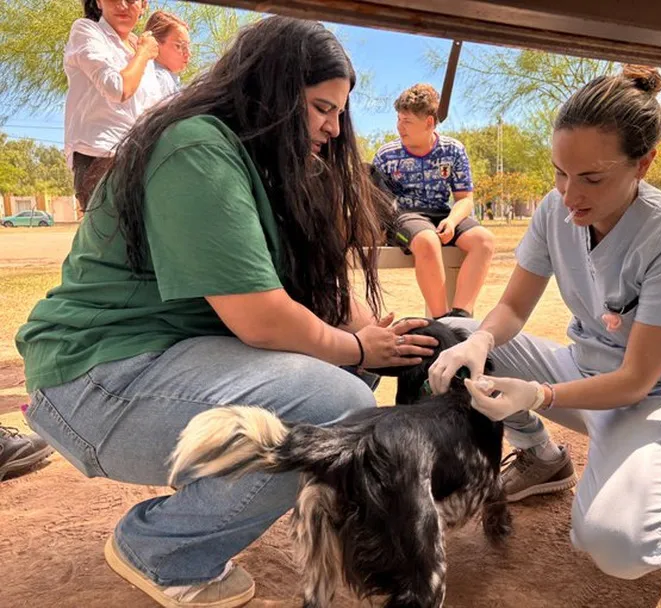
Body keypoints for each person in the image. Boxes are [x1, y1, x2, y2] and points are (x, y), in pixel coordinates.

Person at [17, 16, 436, 607]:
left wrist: (369, 336)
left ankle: (240, 501)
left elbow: (313, 301)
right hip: (96, 384)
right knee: (338, 406)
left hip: (158, 366)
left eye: (339, 111)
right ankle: (164, 549)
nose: (333, 127)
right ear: (270, 91)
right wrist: (359, 349)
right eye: (320, 107)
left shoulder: (259, 164)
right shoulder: (196, 148)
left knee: (343, 376)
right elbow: (262, 319)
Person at [429, 65, 661, 581]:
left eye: (591, 177)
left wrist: (540, 395)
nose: (569, 195)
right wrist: (476, 340)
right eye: (559, 172)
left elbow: (636, 380)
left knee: (614, 545)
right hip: (581, 371)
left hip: (659, 399)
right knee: (452, 332)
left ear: (644, 163)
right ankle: (540, 456)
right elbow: (514, 310)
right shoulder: (555, 211)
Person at [373, 83, 495, 319]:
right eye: (398, 119)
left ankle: (461, 318)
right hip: (405, 215)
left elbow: (465, 199)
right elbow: (377, 205)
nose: (400, 127)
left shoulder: (454, 150)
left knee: (484, 241)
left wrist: (451, 221)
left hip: (442, 213)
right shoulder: (386, 155)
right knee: (428, 240)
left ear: (429, 122)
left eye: (407, 121)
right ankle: (442, 322)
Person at [65, 0, 163, 212]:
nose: (121, 4)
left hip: (140, 160)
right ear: (99, 2)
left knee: (142, 242)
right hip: (100, 158)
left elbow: (153, 108)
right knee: (108, 241)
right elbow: (118, 88)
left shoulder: (138, 46)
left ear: (144, 4)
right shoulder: (86, 31)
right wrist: (144, 54)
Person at [144, 10, 191, 99]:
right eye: (179, 46)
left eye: (188, 46)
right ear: (155, 43)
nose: (188, 54)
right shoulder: (160, 79)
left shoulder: (169, 79)